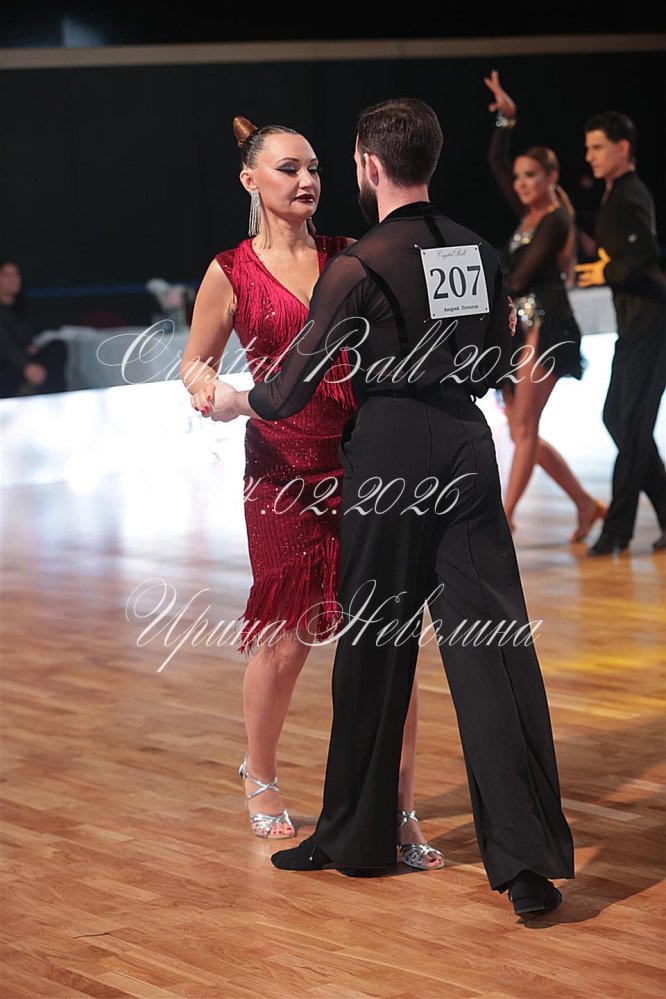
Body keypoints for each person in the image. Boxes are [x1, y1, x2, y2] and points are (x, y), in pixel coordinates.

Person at [203, 97, 574, 917]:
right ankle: (528, 865)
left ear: (369, 167)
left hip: (389, 455)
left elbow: (289, 388)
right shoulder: (475, 251)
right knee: (493, 650)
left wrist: (235, 402)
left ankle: (355, 836)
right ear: (429, 160)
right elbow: (490, 364)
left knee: (375, 645)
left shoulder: (358, 265)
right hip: (466, 448)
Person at [180, 117, 444, 868]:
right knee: (286, 638)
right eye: (289, 169)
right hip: (280, 474)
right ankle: (259, 775)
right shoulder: (229, 270)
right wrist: (205, 387)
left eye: (316, 169)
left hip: (363, 464)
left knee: (388, 641)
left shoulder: (351, 256)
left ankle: (397, 803)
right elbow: (196, 361)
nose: (307, 182)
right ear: (250, 180)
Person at [484, 71, 605, 541]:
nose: (520, 183)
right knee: (521, 431)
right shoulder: (529, 216)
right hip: (525, 324)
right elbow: (496, 162)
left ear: (552, 177)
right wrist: (506, 121)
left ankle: (504, 517)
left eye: (530, 175)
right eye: (519, 177)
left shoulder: (556, 220)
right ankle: (586, 504)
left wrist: (486, 285)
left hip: (548, 323)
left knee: (525, 427)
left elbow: (519, 279)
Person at [576, 111, 666, 555]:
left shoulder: (631, 192)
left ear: (623, 148)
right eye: (588, 148)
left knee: (630, 426)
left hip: (652, 322)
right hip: (636, 323)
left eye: (597, 147)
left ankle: (617, 531)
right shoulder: (617, 192)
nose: (589, 156)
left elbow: (646, 250)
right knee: (618, 418)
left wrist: (606, 271)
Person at [0, 260, 67, 398]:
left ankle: (51, 396)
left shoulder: (19, 310)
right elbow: (5, 344)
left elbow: (24, 338)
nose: (13, 279)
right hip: (8, 365)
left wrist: (31, 346)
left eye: (16, 275)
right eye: (7, 275)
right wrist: (25, 366)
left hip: (24, 359)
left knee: (57, 347)